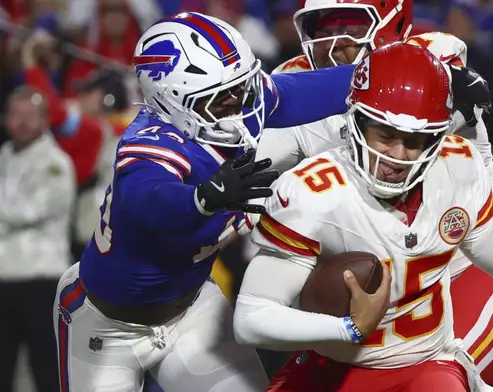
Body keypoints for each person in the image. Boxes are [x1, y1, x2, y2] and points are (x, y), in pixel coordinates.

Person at [219, 1, 493, 389]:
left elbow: (479, 177)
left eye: (349, 27)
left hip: (462, 269)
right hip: (371, 284)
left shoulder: (435, 69)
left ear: (391, 23)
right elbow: (243, 183)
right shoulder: (294, 99)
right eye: (322, 29)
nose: (334, 44)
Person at [53, 12, 358, 392]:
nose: (242, 104)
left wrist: (395, 73)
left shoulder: (235, 105)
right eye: (222, 97)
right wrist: (201, 199)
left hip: (191, 308)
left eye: (241, 88)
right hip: (106, 326)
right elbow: (146, 199)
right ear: (173, 103)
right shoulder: (151, 144)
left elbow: (311, 91)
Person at [0, 86, 75, 392]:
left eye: (30, 116)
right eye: (16, 114)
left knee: (45, 371)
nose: (22, 122)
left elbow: (28, 210)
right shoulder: (3, 157)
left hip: (41, 282)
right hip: (3, 281)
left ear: (46, 120)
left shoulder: (56, 163)